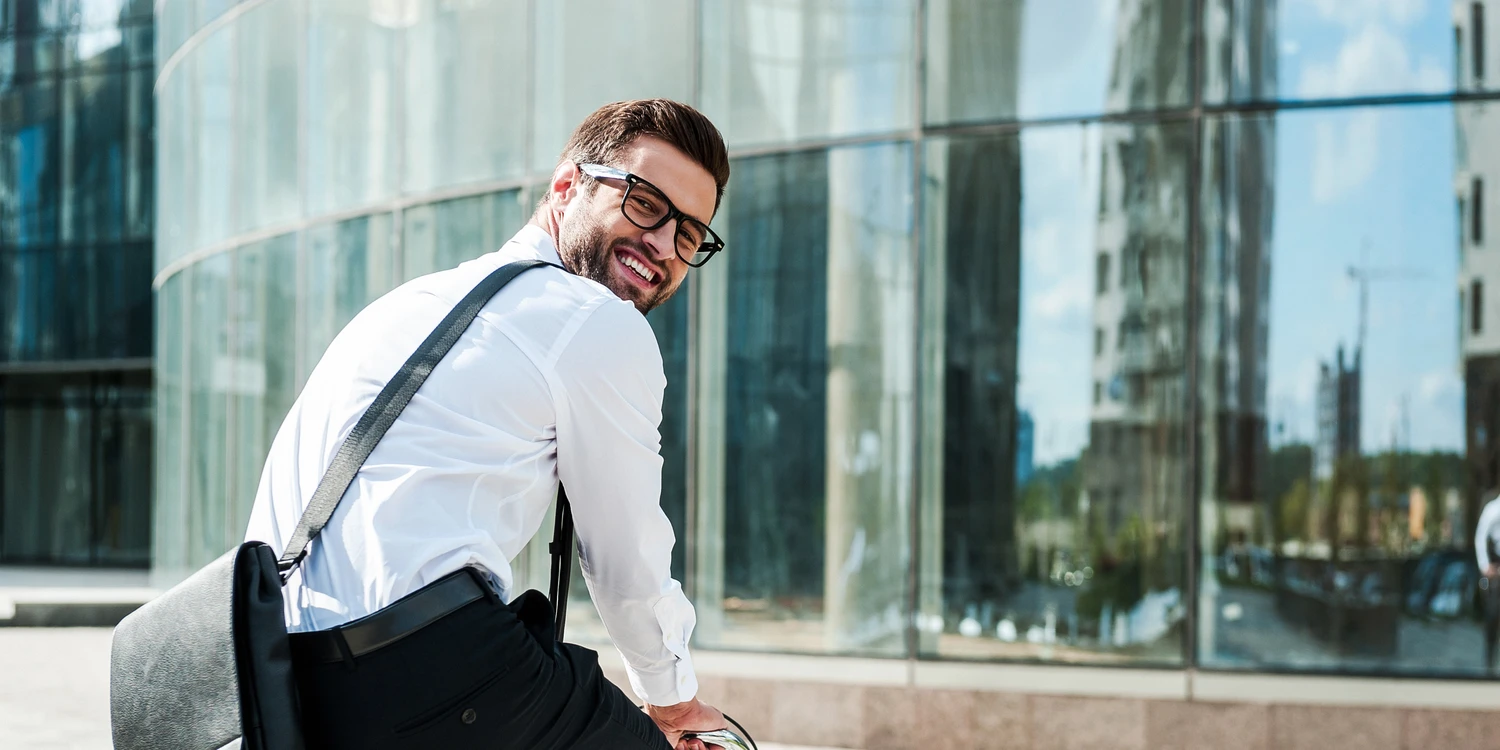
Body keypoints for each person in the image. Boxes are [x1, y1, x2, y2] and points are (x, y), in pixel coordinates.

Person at [244, 99, 731, 749]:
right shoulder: (596, 320)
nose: (665, 246)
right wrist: (672, 702)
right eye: (645, 204)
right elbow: (626, 553)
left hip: (292, 673)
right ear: (567, 186)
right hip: (424, 669)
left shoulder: (411, 303)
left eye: (690, 235)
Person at [1477, 490, 1500, 673]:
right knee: (1493, 615)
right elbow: (1481, 538)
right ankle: (1489, 661)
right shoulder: (1493, 509)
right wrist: (1485, 566)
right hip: (1495, 574)